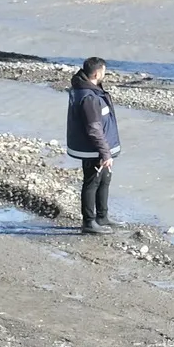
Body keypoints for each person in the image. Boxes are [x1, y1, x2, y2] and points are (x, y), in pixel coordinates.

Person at [65, 57, 121, 235]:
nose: (105, 74)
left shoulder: (89, 89)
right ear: (97, 73)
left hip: (98, 147)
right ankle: (89, 222)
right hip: (92, 149)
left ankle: (102, 217)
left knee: (104, 180)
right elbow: (93, 128)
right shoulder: (88, 97)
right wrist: (105, 153)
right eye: (104, 71)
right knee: (92, 182)